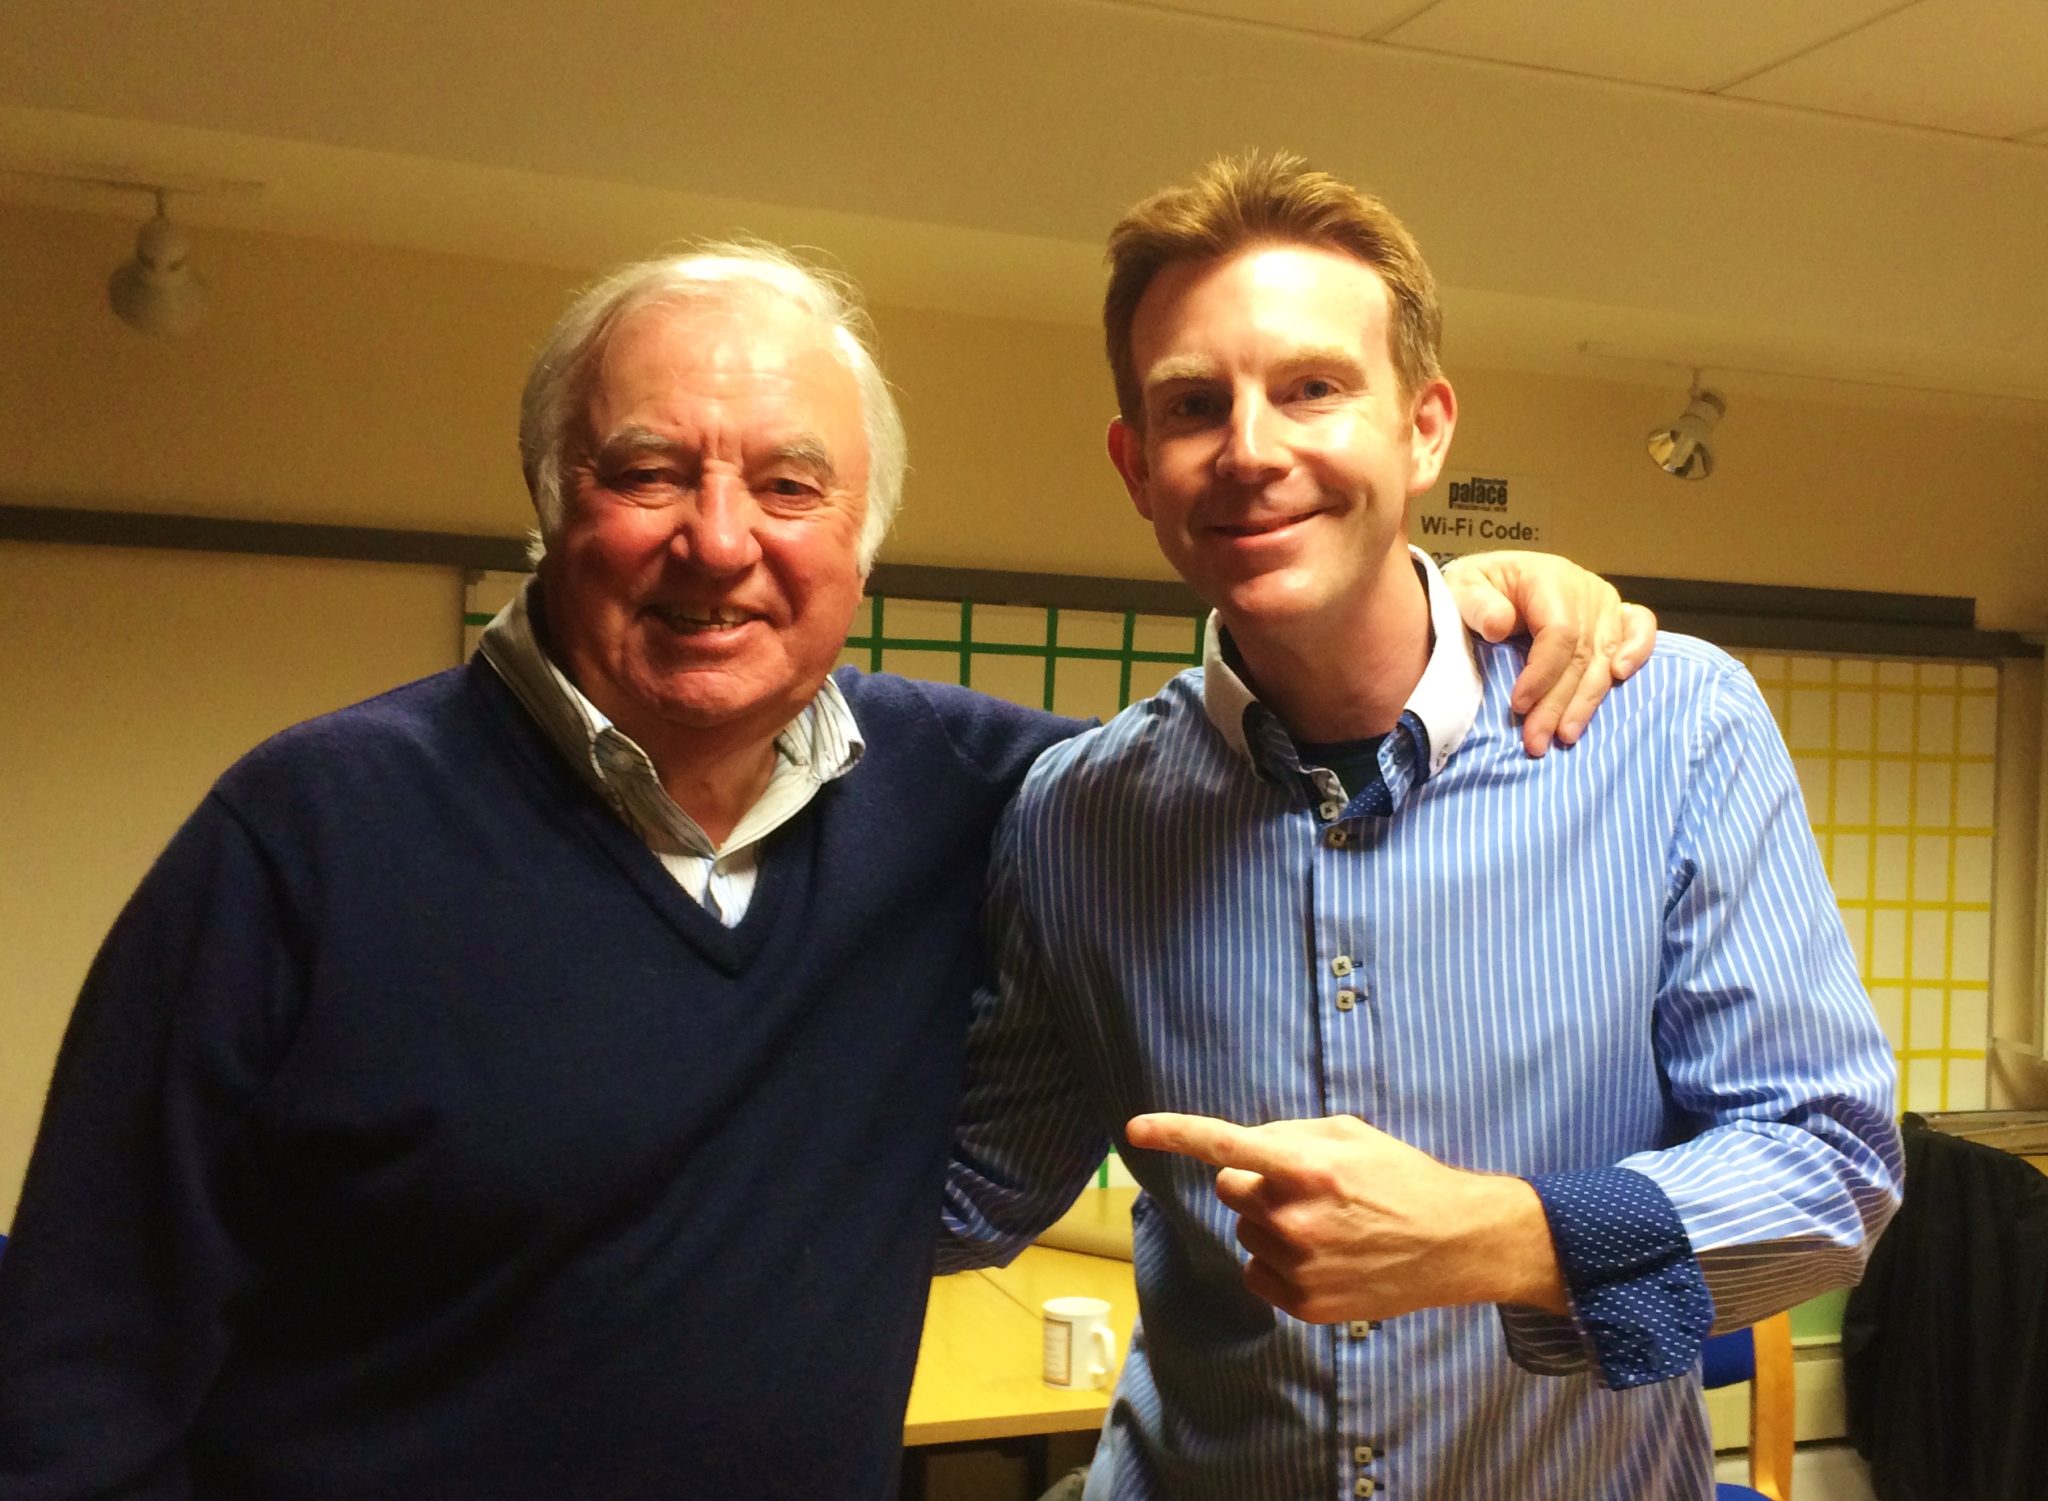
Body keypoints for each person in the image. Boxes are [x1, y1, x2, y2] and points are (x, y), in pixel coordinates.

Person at [0, 242, 1648, 1500]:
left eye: (790, 486)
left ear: (860, 541)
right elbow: (78, 1354)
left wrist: (1462, 601)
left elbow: (1267, 748)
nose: (721, 539)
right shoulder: (309, 833)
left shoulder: (993, 796)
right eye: (650, 470)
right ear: (551, 503)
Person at [940, 154, 1904, 1501]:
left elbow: (1830, 1169)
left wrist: (1490, 1236)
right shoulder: (1077, 818)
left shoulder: (1669, 731)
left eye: (1313, 387)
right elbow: (972, 1188)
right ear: (1137, 466)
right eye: (1194, 405)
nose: (1252, 448)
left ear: (1426, 428)